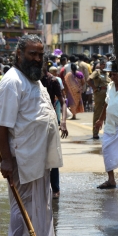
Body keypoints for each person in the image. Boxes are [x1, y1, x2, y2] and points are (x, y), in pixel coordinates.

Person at [0, 35, 73, 236]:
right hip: (22, 157)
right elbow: (1, 124)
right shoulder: (11, 81)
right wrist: (6, 160)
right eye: (32, 54)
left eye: (40, 54)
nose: (38, 59)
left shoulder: (33, 78)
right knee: (22, 205)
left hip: (39, 155)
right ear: (19, 54)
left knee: (43, 202)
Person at [94, 60, 118, 189]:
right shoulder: (110, 86)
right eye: (111, 75)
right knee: (107, 149)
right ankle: (111, 180)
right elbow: (107, 104)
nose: (112, 77)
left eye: (114, 74)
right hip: (111, 125)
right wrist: (100, 119)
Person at [40, 64, 69, 200]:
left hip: (50, 120)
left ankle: (55, 188)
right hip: (35, 122)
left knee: (53, 156)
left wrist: (63, 122)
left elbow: (63, 102)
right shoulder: (31, 79)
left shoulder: (52, 81)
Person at [87, 63, 109, 140]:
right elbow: (89, 80)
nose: (104, 66)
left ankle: (107, 132)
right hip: (99, 93)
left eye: (105, 64)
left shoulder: (108, 72)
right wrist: (94, 88)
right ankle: (95, 133)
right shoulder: (97, 72)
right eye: (103, 64)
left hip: (108, 93)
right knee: (98, 112)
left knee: (108, 112)